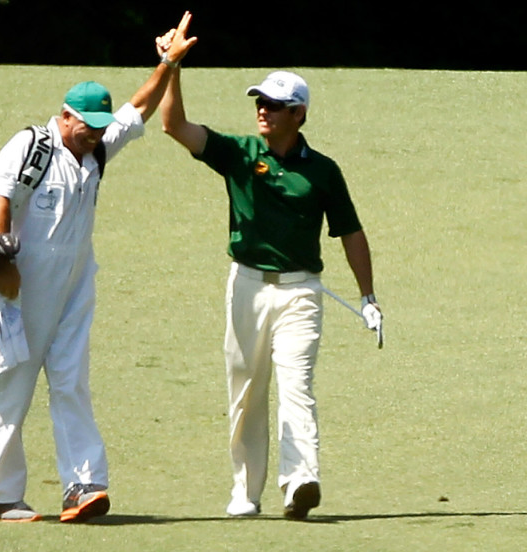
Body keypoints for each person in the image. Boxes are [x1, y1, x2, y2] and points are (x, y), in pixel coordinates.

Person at [0, 13, 197, 523]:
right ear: (65, 116)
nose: (96, 136)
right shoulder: (30, 146)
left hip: (75, 286)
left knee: (72, 382)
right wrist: (3, 262)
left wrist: (167, 62)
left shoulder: (95, 148)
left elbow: (138, 106)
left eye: (101, 129)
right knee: (13, 385)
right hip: (18, 287)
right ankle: (2, 497)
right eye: (87, 127)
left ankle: (84, 486)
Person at [160, 63, 382, 520]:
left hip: (301, 293)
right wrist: (171, 68)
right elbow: (174, 125)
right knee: (246, 391)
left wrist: (368, 297)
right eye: (260, 102)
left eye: (274, 105)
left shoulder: (323, 172)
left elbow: (350, 233)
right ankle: (245, 491)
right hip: (246, 286)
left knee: (297, 385)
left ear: (298, 114)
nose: (263, 111)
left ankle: (301, 480)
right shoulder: (238, 153)